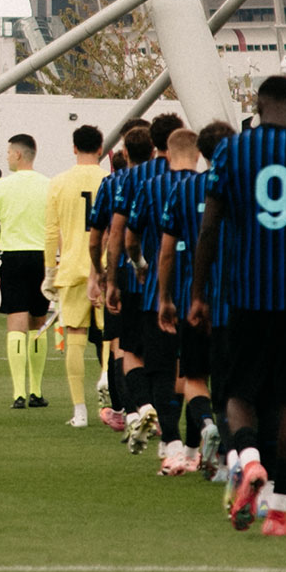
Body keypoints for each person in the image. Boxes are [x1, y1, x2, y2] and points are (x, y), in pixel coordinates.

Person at [188, 75, 286, 537]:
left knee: (239, 394)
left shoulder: (230, 154)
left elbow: (209, 228)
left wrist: (198, 293)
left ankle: (250, 459)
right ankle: (276, 511)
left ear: (257, 106)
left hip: (244, 295)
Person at [156, 120, 236, 480]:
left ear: (202, 154)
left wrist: (164, 298)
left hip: (194, 300)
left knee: (192, 377)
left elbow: (167, 252)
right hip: (237, 301)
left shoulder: (185, 190)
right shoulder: (244, 190)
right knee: (231, 386)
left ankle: (204, 425)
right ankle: (224, 461)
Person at [126, 124, 203, 475]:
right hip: (209, 296)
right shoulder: (212, 187)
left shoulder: (152, 186)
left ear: (167, 154)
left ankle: (171, 444)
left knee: (160, 370)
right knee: (196, 373)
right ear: (198, 154)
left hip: (160, 294)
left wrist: (141, 266)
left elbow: (130, 238)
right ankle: (201, 446)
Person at [106, 113, 183, 450]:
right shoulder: (195, 179)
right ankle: (180, 435)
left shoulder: (132, 179)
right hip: (185, 284)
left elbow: (117, 235)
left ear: (154, 142)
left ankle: (143, 409)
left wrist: (112, 275)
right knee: (179, 365)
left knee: (130, 351)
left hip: (140, 281)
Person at [0, 134, 50, 409]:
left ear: (18, 154)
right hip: (42, 258)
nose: (6, 156)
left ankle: (18, 393)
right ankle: (37, 391)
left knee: (16, 322)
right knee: (38, 323)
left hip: (14, 258)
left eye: (8, 152)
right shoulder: (49, 186)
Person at [43, 124, 107, 428]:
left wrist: (49, 270)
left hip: (71, 268)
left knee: (75, 337)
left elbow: (51, 232)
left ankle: (79, 411)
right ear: (101, 148)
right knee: (111, 336)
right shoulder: (109, 179)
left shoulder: (58, 182)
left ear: (73, 148)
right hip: (105, 268)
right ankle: (107, 381)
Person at [88, 120, 148, 436]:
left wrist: (100, 276)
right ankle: (157, 412)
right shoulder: (168, 180)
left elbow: (106, 235)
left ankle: (128, 411)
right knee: (159, 346)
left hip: (124, 271)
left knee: (120, 347)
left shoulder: (114, 183)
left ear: (124, 150)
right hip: (159, 274)